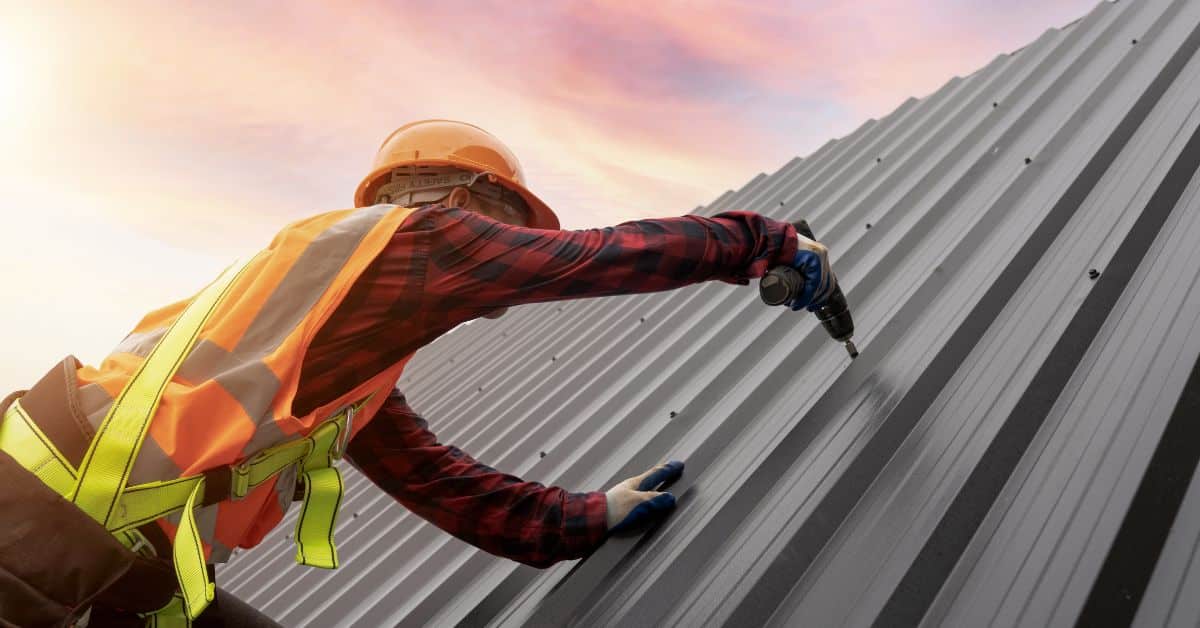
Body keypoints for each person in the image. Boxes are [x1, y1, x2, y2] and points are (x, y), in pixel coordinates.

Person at [0, 120, 837, 627]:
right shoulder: (413, 238)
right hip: (40, 540)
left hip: (97, 553)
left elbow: (431, 478)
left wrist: (577, 520)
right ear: (457, 196)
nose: (508, 247)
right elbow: (587, 259)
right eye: (509, 219)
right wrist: (761, 243)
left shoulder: (333, 336)